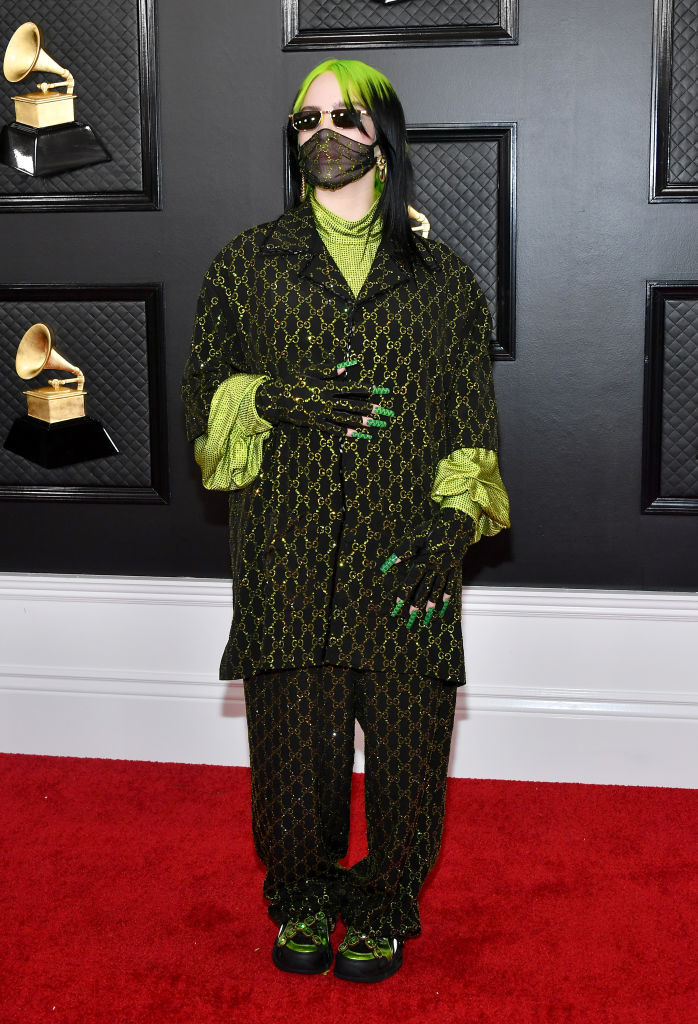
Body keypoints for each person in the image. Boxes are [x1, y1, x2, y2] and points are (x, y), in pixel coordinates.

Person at [181, 58, 510, 984]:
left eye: (346, 114)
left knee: (408, 759)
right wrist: (271, 399)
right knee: (290, 759)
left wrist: (451, 531)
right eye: (306, 117)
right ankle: (302, 899)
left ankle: (382, 905)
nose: (323, 128)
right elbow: (202, 403)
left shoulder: (443, 280)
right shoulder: (248, 265)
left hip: (406, 555)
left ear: (382, 135)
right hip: (285, 552)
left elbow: (469, 423)